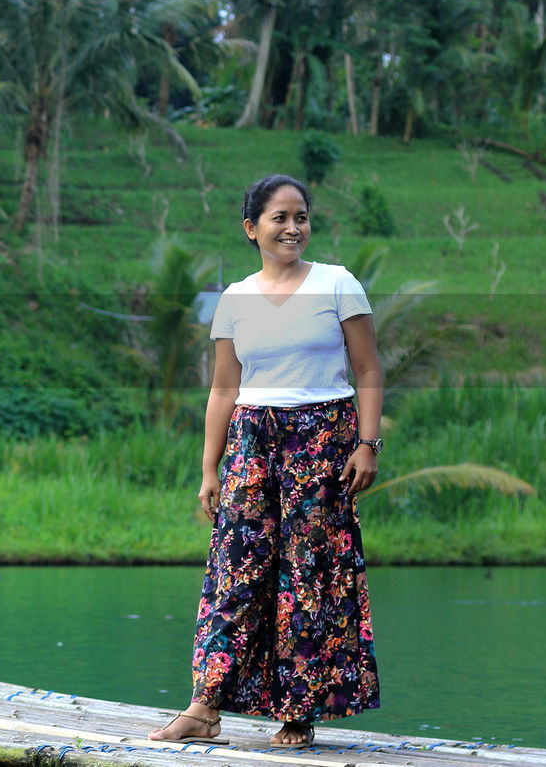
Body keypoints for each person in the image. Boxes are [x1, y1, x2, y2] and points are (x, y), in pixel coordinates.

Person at [149, 173, 383, 749]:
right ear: (251, 228)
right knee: (236, 570)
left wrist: (367, 443)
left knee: (307, 575)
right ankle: (204, 709)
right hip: (252, 440)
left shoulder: (337, 284)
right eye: (279, 218)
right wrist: (210, 468)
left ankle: (298, 715)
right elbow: (223, 390)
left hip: (322, 438)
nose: (292, 227)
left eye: (300, 216)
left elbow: (369, 371)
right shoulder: (234, 299)